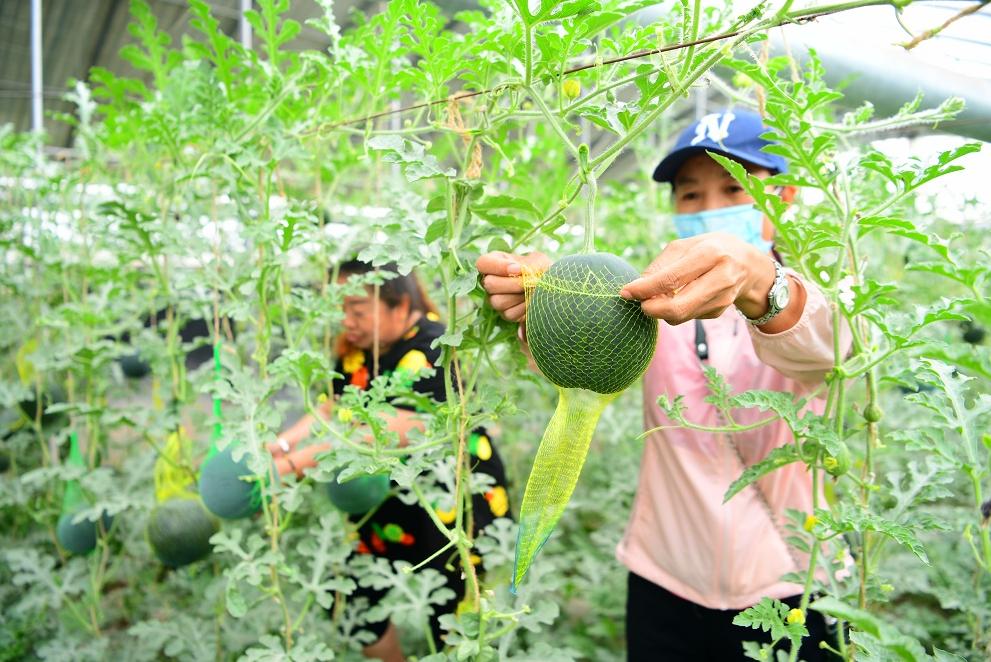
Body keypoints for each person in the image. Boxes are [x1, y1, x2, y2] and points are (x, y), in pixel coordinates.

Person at [476, 108, 850, 661]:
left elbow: (832, 348)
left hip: (791, 584)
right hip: (662, 577)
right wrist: (549, 302)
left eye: (735, 187)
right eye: (690, 194)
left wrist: (763, 284)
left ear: (785, 197)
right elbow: (593, 361)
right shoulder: (654, 302)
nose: (712, 208)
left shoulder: (812, 295)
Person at [269, 259, 511, 662]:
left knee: (453, 618)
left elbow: (386, 428)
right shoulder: (358, 352)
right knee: (351, 597)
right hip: (386, 503)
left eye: (358, 311)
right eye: (342, 310)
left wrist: (289, 467)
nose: (347, 321)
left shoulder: (436, 342)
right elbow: (332, 408)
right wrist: (280, 445)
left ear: (400, 305)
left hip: (449, 509)